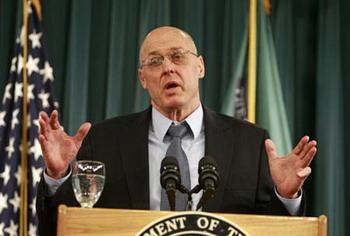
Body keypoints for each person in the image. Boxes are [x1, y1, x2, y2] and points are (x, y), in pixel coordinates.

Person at [36, 26, 317, 235]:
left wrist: (286, 197)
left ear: (200, 66)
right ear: (142, 78)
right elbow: (62, 227)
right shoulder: (104, 141)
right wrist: (58, 178)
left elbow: (271, 230)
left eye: (178, 56)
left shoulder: (250, 143)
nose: (168, 68)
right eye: (155, 62)